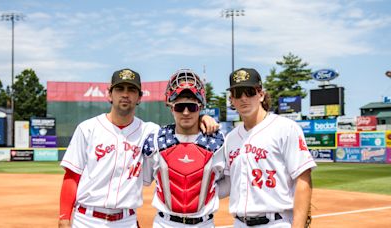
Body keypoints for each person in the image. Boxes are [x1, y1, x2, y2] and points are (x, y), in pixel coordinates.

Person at [58, 68, 218, 228]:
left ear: (140, 97)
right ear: (109, 94)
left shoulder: (151, 133)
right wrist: (64, 217)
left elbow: (183, 127)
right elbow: (72, 176)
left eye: (132, 90)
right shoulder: (88, 128)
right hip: (87, 219)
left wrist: (202, 117)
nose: (125, 94)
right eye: (120, 89)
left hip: (126, 220)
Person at [221, 68, 316, 228]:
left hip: (275, 222)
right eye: (238, 94)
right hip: (239, 223)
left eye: (249, 92)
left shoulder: (285, 128)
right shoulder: (231, 138)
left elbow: (303, 179)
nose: (244, 98)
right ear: (232, 100)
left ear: (261, 94)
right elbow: (229, 184)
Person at [142, 69, 225, 228]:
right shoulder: (156, 139)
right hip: (165, 223)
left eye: (192, 107)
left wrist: (208, 193)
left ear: (200, 106)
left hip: (204, 224)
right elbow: (145, 179)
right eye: (180, 107)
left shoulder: (217, 141)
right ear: (170, 107)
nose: (186, 112)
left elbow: (226, 181)